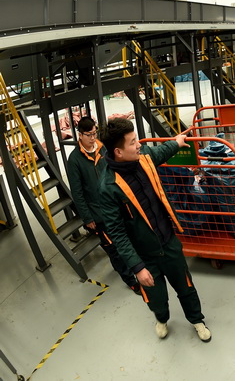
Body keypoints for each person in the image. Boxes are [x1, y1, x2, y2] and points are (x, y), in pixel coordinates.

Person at [98, 118, 211, 342]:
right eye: (133, 142)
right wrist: (137, 267)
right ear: (118, 152)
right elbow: (117, 232)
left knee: (185, 286)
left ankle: (196, 319)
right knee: (156, 296)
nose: (139, 144)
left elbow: (160, 152)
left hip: (168, 242)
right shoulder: (109, 187)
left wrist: (177, 142)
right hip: (145, 256)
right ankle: (161, 318)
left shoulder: (144, 159)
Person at [67, 116, 140, 295]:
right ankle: (130, 280)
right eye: (89, 135)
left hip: (116, 204)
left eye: (94, 133)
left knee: (128, 237)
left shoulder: (102, 149)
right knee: (113, 248)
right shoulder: (75, 160)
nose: (93, 138)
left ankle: (139, 267)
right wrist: (87, 217)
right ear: (80, 135)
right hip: (98, 213)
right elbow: (77, 192)